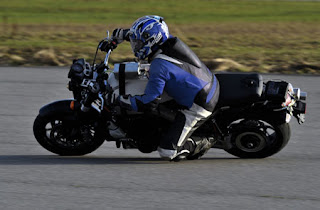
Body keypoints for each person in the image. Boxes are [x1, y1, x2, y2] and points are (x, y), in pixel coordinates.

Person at [100, 15, 220, 161]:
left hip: (201, 102)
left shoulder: (159, 65)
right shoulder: (167, 42)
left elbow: (149, 103)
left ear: (151, 41)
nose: (135, 46)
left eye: (138, 43)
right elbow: (135, 34)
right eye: (135, 42)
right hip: (195, 85)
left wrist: (121, 100)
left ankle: (209, 139)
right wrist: (117, 37)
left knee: (167, 152)